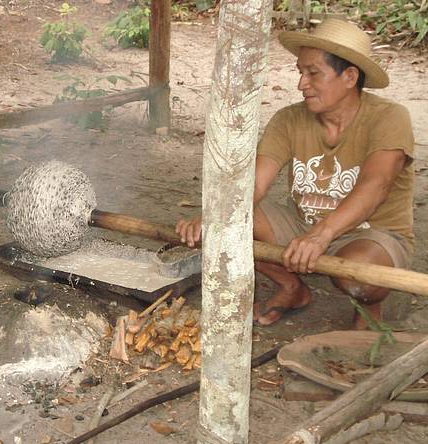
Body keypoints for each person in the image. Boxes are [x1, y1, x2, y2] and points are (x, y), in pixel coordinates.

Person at [175, 19, 415, 329]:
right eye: (300, 72)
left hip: (372, 234)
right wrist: (215, 217)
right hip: (302, 224)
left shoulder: (389, 117)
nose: (301, 84)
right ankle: (292, 288)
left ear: (350, 76)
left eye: (314, 73)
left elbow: (376, 184)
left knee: (359, 273)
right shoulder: (288, 119)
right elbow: (255, 183)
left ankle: (369, 311)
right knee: (230, 222)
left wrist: (321, 236)